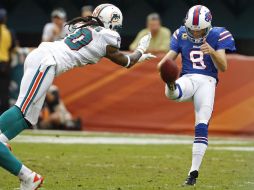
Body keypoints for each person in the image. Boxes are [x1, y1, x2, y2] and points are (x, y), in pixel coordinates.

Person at [0, 3, 155, 189]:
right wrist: (140, 51)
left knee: (26, 118)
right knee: (21, 110)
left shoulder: (85, 26)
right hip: (47, 62)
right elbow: (127, 62)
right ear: (111, 22)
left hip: (42, 57)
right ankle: (28, 177)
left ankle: (5, 147)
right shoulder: (107, 36)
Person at [158, 5, 235, 186]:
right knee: (173, 93)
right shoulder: (180, 34)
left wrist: (213, 52)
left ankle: (193, 173)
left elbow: (223, 67)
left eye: (200, 30)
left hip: (208, 82)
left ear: (208, 26)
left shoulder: (219, 34)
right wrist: (163, 68)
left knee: (201, 124)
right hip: (188, 77)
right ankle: (171, 83)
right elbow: (164, 62)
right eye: (193, 30)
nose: (196, 34)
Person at [0, 8, 16, 114]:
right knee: (4, 94)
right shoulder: (9, 32)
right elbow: (13, 48)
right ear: (5, 19)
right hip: (4, 65)